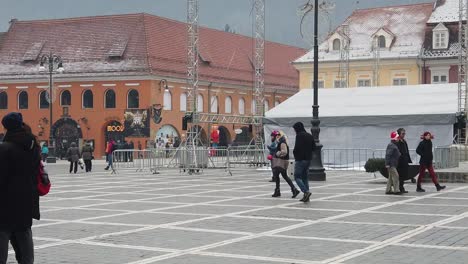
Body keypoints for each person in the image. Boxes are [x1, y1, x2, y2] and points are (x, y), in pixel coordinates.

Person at [0, 112, 41, 264]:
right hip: (25, 204)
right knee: (25, 250)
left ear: (6, 128)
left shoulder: (4, 149)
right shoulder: (33, 148)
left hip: (4, 206)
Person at [271, 131, 300, 198]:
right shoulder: (281, 141)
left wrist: (277, 153)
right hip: (281, 161)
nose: (277, 136)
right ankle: (280, 190)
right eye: (276, 135)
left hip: (281, 161)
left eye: (279, 135)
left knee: (281, 176)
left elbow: (284, 152)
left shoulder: (282, 142)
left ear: (281, 135)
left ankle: (293, 189)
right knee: (279, 176)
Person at [292, 122, 315, 203]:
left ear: (297, 128)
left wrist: (295, 155)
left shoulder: (299, 136)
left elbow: (296, 147)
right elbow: (314, 147)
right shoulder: (309, 135)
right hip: (308, 159)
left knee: (297, 177)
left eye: (295, 129)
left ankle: (306, 192)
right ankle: (306, 196)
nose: (294, 131)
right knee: (305, 177)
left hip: (300, 159)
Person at [396, 128, 412, 193]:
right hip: (400, 161)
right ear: (399, 134)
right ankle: (399, 188)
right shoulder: (397, 141)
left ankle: (402, 187)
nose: (404, 134)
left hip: (405, 160)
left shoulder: (404, 141)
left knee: (404, 175)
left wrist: (408, 159)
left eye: (404, 133)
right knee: (400, 175)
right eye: (402, 133)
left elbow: (406, 150)